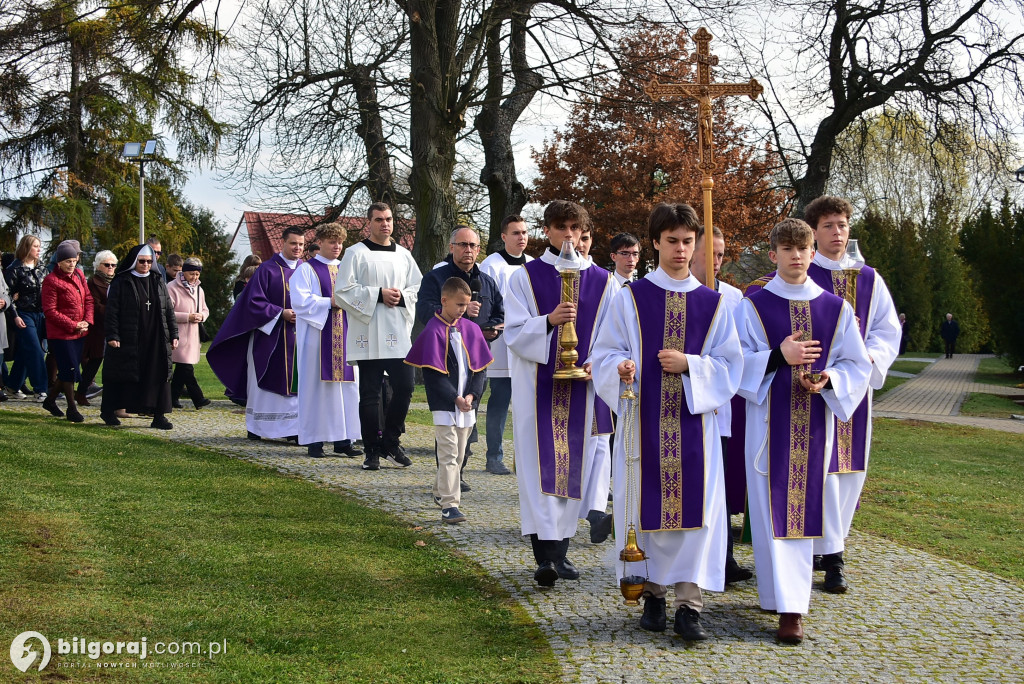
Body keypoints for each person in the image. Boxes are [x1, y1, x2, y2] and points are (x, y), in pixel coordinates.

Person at [591, 204, 742, 641]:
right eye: (672, 241)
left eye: (688, 242)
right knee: (645, 507)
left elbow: (729, 367)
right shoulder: (630, 298)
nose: (680, 250)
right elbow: (603, 352)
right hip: (643, 427)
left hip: (695, 428)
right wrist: (619, 367)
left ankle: (689, 605)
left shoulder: (714, 304)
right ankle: (653, 594)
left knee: (698, 518)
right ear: (655, 242)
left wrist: (691, 364)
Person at [735, 218, 870, 644]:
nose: (796, 255)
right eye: (787, 248)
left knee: (799, 511)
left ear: (814, 254)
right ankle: (776, 594)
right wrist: (779, 355)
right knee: (768, 512)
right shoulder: (753, 305)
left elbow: (857, 364)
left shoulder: (835, 308)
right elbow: (736, 362)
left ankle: (793, 609)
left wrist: (829, 377)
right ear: (772, 254)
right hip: (766, 428)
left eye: (803, 248)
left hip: (814, 427)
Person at [504, 199, 616, 587]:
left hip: (583, 391)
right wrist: (549, 321)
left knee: (576, 468)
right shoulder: (524, 277)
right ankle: (544, 557)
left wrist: (595, 363)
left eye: (574, 228)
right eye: (559, 227)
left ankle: (561, 553)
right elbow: (514, 334)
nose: (567, 235)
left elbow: (613, 335)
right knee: (540, 469)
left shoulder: (604, 280)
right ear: (547, 230)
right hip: (539, 388)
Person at [804, 195, 901, 593]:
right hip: (807, 388)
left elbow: (886, 330)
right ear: (813, 232)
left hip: (852, 390)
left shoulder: (867, 278)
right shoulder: (800, 271)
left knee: (848, 471)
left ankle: (835, 554)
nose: (837, 233)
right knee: (815, 469)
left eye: (842, 224)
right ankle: (817, 549)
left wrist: (866, 358)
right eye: (828, 225)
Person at [334, 202, 422, 471]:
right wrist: (378, 294)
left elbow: (416, 287)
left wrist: (402, 296)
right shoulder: (355, 253)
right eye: (379, 219)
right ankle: (371, 449)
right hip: (368, 332)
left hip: (397, 331)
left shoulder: (404, 255)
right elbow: (342, 291)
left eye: (389, 219)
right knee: (370, 395)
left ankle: (391, 441)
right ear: (369, 223)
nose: (385, 224)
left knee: (405, 388)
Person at [690, 225, 754, 585]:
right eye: (709, 252)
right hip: (682, 406)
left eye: (720, 254)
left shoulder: (731, 297)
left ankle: (725, 558)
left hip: (721, 409)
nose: (716, 260)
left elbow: (738, 353)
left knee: (722, 487)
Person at [416, 226, 503, 486]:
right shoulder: (436, 278)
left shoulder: (485, 281)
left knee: (468, 416)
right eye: (462, 244)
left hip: (475, 357)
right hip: (446, 355)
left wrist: (491, 331)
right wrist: (461, 316)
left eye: (473, 246)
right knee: (449, 421)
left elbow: (499, 313)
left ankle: (458, 471)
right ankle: (449, 476)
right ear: (451, 246)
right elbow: (425, 311)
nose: (468, 250)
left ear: (478, 249)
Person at [406, 277, 493, 523]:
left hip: (467, 404)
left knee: (460, 453)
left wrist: (472, 396)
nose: (462, 310)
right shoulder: (432, 331)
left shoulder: (471, 329)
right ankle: (450, 505)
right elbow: (433, 376)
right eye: (458, 305)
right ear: (444, 301)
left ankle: (439, 490)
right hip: (445, 404)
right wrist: (455, 398)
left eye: (465, 305)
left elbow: (480, 369)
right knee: (448, 454)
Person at [208, 227, 305, 441]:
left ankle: (293, 430)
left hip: (299, 337)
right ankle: (259, 427)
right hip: (269, 337)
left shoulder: (306, 270)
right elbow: (253, 303)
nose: (297, 248)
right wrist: (281, 313)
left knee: (297, 383)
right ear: (283, 243)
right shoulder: (267, 270)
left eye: (301, 244)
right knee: (267, 381)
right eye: (293, 243)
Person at [290, 222, 362, 458]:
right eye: (332, 242)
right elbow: (300, 302)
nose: (337, 246)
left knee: (346, 390)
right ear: (319, 242)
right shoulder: (306, 270)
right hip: (317, 339)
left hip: (346, 338)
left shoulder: (346, 269)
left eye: (340, 242)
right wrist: (329, 302)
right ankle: (315, 440)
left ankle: (344, 440)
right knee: (317, 389)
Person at [100, 244, 179, 429]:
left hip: (156, 336)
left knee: (158, 374)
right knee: (121, 375)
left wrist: (174, 334)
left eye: (149, 262)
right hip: (129, 336)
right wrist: (112, 334)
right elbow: (112, 311)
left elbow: (168, 309)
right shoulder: (121, 281)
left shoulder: (157, 280)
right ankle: (108, 411)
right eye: (142, 261)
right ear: (134, 261)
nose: (145, 265)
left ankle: (159, 415)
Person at [479, 215, 532, 476]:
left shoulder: (534, 265)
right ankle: (494, 456)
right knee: (500, 398)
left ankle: (528, 458)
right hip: (500, 344)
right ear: (503, 236)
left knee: (530, 403)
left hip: (531, 342)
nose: (521, 237)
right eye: (515, 233)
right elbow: (488, 305)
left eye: (524, 232)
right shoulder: (491, 266)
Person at [573, 222, 615, 544]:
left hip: (595, 375)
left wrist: (596, 362)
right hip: (559, 378)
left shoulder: (605, 281)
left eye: (586, 238)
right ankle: (569, 513)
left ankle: (597, 511)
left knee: (600, 444)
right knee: (574, 447)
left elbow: (611, 328)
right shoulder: (547, 274)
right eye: (576, 238)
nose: (581, 244)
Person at [39, 240, 93, 422]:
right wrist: (73, 324)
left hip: (79, 332)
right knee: (69, 369)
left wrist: (87, 321)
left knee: (67, 370)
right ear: (59, 262)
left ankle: (50, 400)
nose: (72, 264)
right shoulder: (51, 281)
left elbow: (88, 299)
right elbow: (50, 311)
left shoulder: (78, 274)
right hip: (61, 334)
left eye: (74, 260)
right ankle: (71, 408)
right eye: (68, 261)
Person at [3, 234, 49, 401]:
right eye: (35, 246)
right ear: (26, 248)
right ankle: (41, 389)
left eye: (39, 246)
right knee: (35, 350)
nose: (38, 249)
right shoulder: (14, 269)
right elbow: (7, 294)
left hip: (40, 313)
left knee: (26, 351)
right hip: (23, 313)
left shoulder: (42, 268)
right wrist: (14, 315)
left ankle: (13, 385)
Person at [167, 257, 212, 410]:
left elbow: (205, 309)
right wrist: (188, 316)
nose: (195, 277)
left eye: (197, 274)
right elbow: (168, 313)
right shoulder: (171, 287)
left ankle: (172, 398)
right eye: (192, 274)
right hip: (178, 335)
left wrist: (202, 316)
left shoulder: (199, 289)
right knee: (186, 368)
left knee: (182, 369)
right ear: (184, 272)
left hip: (193, 335)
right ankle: (198, 398)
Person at [76, 251, 117, 407]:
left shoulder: (115, 281)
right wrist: (114, 310)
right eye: (107, 265)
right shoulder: (94, 282)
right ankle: (80, 392)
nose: (110, 268)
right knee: (94, 360)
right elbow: (94, 305)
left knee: (109, 361)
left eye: (113, 265)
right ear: (98, 266)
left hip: (113, 327)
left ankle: (112, 396)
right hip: (98, 328)